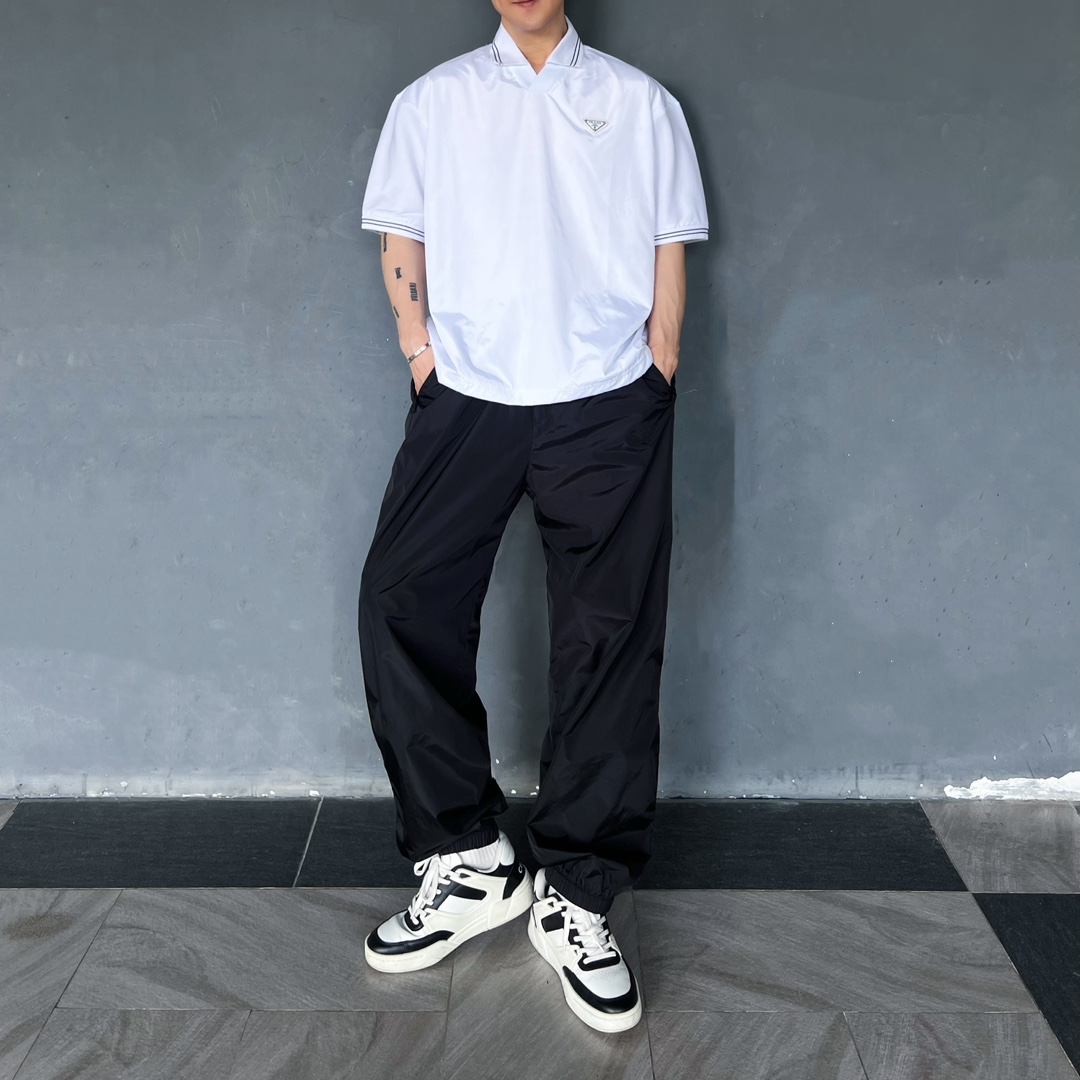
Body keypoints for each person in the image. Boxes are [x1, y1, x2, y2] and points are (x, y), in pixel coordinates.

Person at [357, 0, 708, 1033]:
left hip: (607, 402)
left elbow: (670, 242)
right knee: (400, 601)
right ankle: (469, 859)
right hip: (467, 396)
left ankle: (580, 892)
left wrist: (660, 364)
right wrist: (420, 354)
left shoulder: (641, 104)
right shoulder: (432, 102)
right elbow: (403, 232)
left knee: (609, 638)